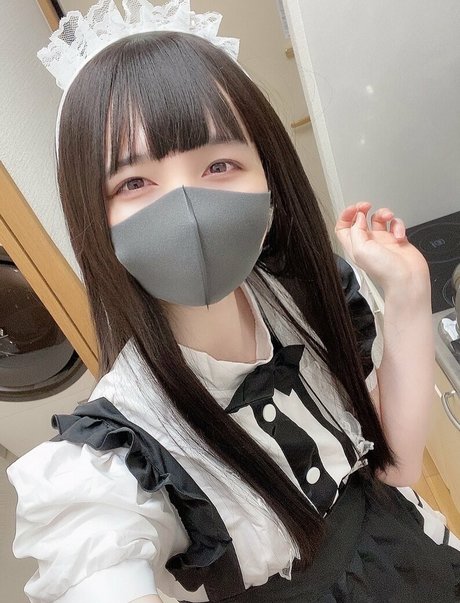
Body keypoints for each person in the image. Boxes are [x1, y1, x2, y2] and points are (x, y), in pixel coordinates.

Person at [6, 1, 460, 602]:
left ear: (269, 181)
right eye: (134, 182)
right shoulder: (120, 453)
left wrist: (407, 294)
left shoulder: (303, 299)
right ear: (96, 218)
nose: (188, 210)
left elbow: (395, 467)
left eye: (219, 164)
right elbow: (97, 566)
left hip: (418, 549)